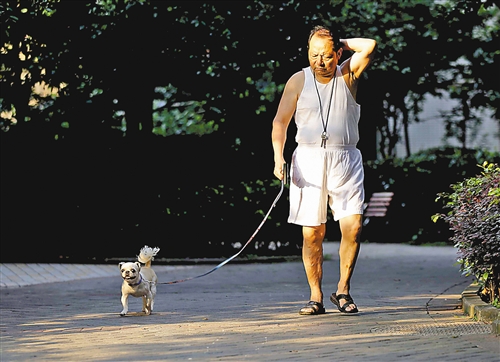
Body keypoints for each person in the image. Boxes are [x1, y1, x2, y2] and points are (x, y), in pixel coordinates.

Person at [271, 25, 376, 315]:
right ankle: (315, 296)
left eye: (327, 55)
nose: (320, 61)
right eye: (314, 54)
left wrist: (337, 41)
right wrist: (279, 157)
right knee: (312, 233)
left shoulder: (347, 73)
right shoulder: (298, 80)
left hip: (345, 158)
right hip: (308, 159)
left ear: (338, 53)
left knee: (353, 227)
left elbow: (369, 45)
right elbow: (280, 122)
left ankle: (342, 290)